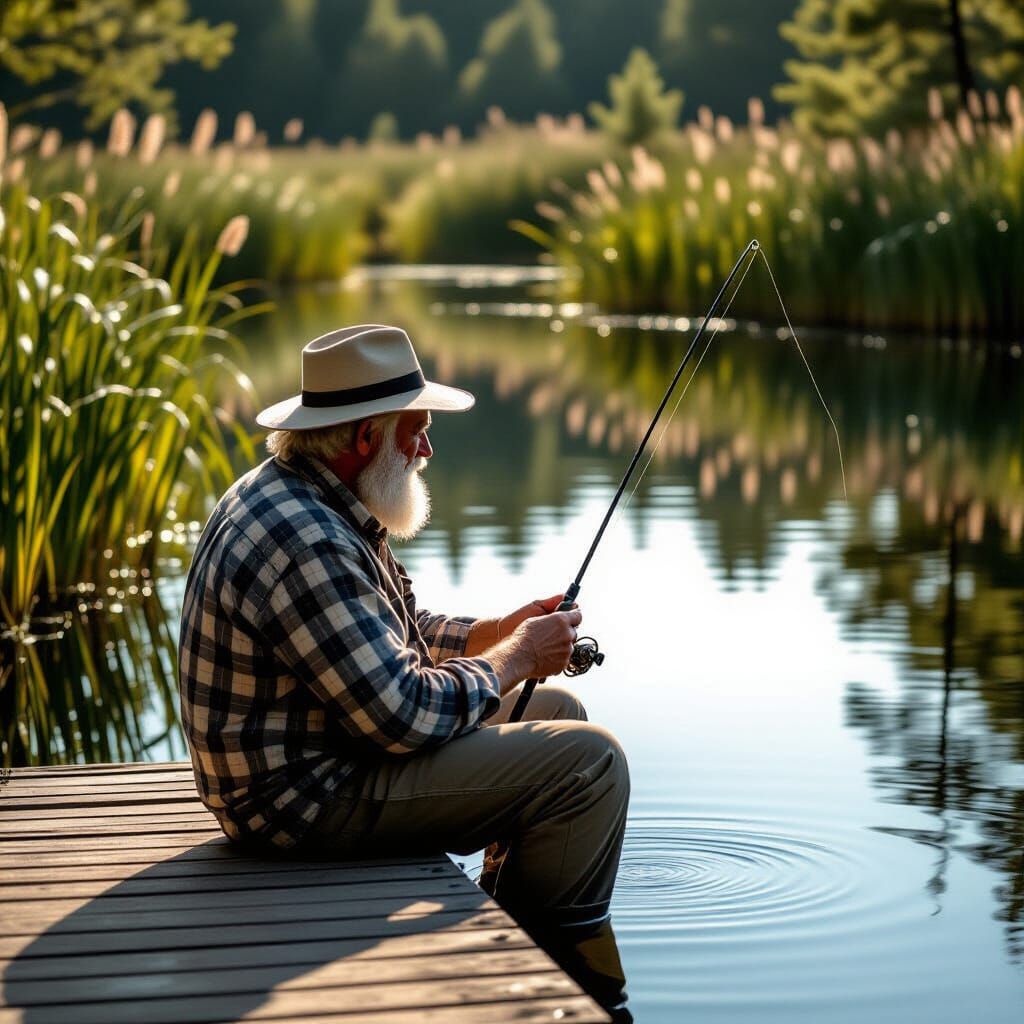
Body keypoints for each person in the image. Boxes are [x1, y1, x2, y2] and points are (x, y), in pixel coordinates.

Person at [177, 324, 631, 1019]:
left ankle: (507, 913)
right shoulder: (308, 540)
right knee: (590, 764)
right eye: (415, 429)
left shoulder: (312, 495)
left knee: (560, 712)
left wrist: (500, 632)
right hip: (298, 803)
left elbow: (396, 635)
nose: (427, 447)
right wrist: (514, 659)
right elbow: (403, 714)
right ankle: (557, 965)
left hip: (327, 749)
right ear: (366, 436)